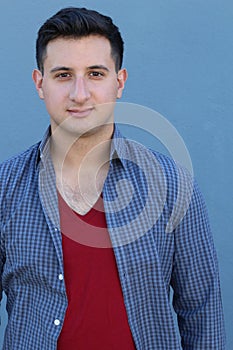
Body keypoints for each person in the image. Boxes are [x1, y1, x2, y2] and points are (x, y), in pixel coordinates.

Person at [0, 7, 225, 350]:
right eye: (63, 75)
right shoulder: (6, 187)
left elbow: (202, 313)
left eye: (95, 73)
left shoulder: (172, 186)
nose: (79, 93)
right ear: (39, 83)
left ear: (118, 82)